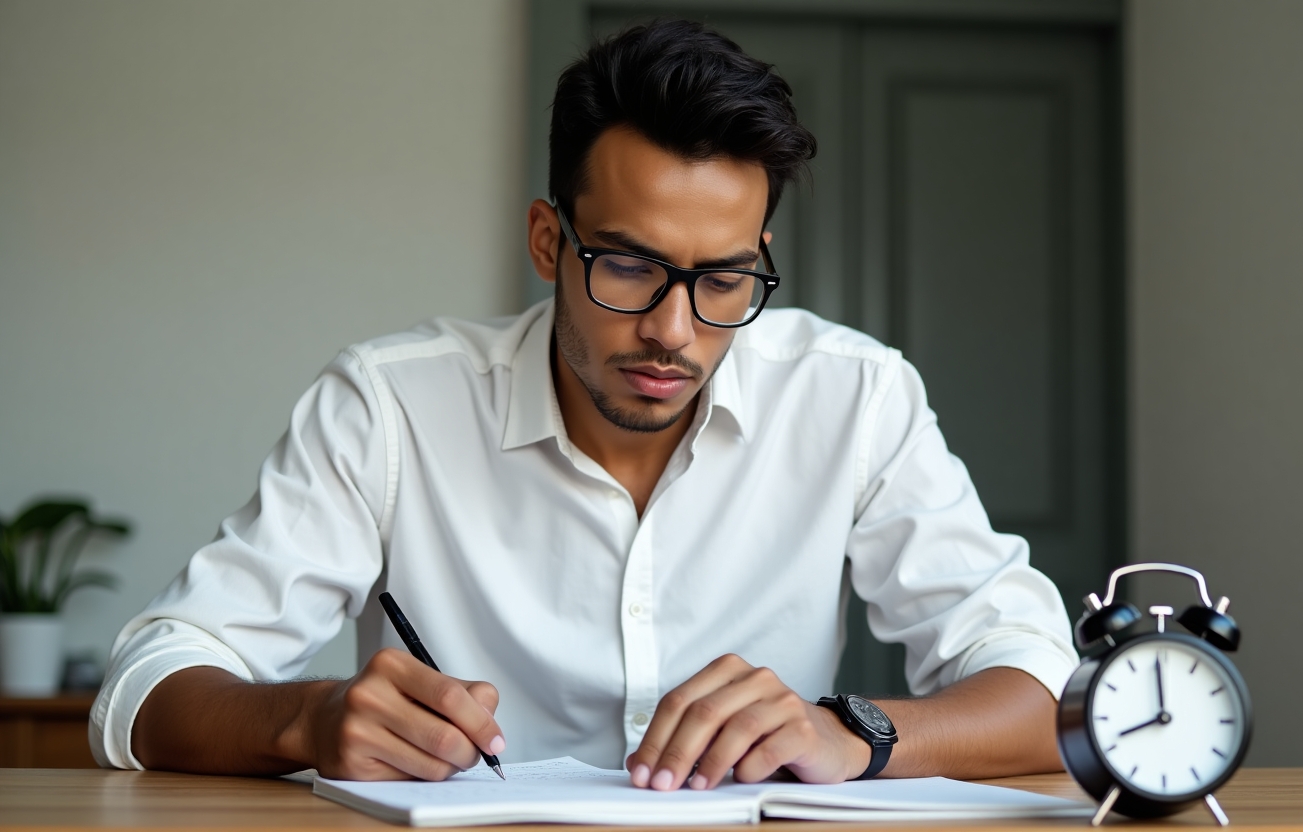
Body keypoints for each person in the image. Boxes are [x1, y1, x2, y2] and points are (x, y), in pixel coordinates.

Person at [91, 19, 1077, 789]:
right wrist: (302, 720)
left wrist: (847, 733)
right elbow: (141, 689)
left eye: (723, 278)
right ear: (548, 242)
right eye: (629, 266)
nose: (674, 331)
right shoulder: (390, 404)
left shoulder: (851, 396)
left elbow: (1044, 691)